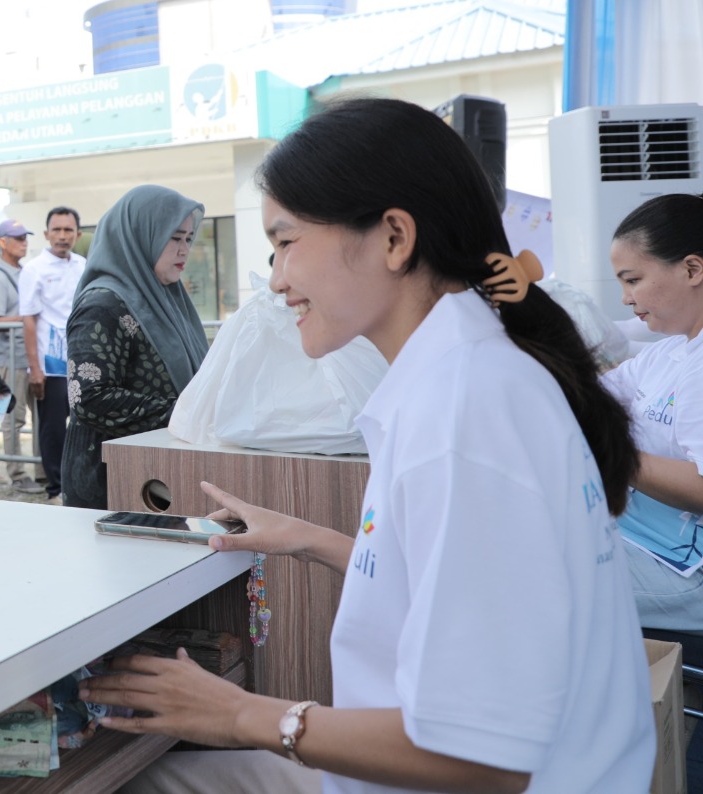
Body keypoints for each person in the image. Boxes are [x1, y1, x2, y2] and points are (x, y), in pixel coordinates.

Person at [81, 97, 652, 794]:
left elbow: (482, 758)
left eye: (287, 243)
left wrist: (241, 714)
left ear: (393, 239)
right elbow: (457, 583)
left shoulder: (464, 414)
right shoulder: (462, 380)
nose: (277, 280)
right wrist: (308, 537)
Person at [62, 187, 207, 510]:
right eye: (174, 238)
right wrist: (182, 413)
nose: (185, 249)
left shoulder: (168, 299)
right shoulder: (102, 304)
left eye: (189, 238)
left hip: (159, 476)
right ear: (141, 237)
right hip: (112, 481)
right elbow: (88, 398)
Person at [600, 194, 703, 630]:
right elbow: (591, 397)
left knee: (524, 569)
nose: (625, 298)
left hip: (687, 569)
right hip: (646, 537)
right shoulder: (669, 354)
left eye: (633, 279)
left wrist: (611, 452)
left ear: (692, 269)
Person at [19, 206, 85, 500]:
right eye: (56, 230)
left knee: (84, 425)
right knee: (53, 429)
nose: (62, 236)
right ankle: (56, 488)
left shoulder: (84, 265)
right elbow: (29, 320)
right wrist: (36, 369)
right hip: (51, 364)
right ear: (46, 234)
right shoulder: (33, 269)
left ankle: (81, 482)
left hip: (84, 361)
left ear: (78, 234)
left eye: (68, 230)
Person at [0, 219, 39, 492]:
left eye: (25, 237)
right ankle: (17, 473)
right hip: (10, 360)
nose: (24, 242)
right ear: (3, 242)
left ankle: (42, 470)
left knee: (40, 417)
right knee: (11, 418)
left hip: (31, 359)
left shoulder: (25, 272)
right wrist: (27, 318)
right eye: (17, 238)